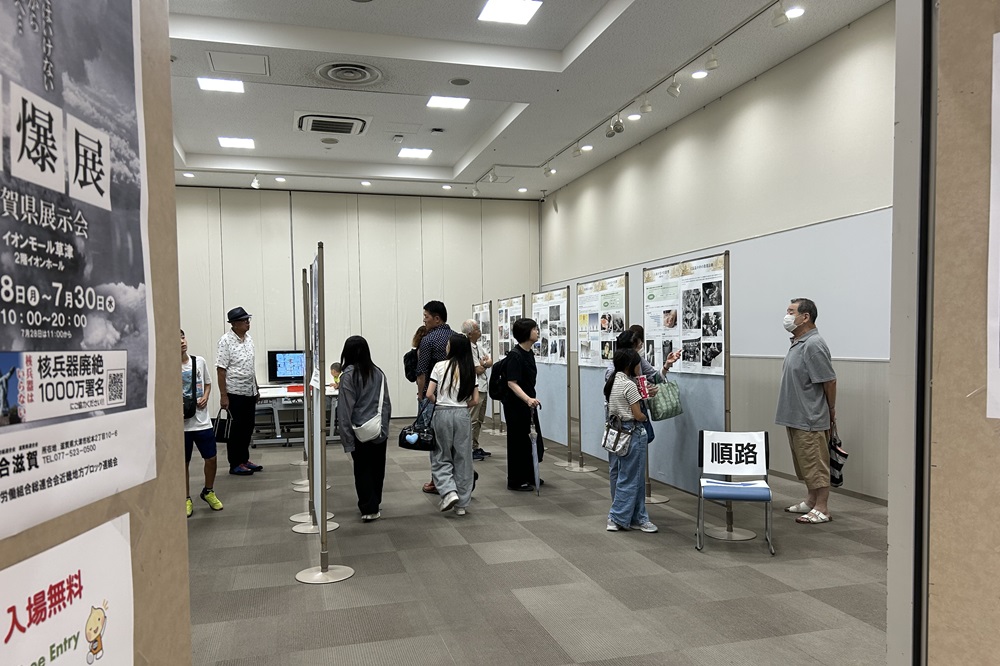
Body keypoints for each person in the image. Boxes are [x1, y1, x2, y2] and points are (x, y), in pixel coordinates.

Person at [775, 298, 837, 524]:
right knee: (805, 462)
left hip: (810, 416)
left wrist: (831, 410)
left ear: (805, 317)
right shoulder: (798, 342)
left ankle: (822, 507)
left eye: (791, 311)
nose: (787, 316)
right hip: (796, 415)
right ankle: (811, 500)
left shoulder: (813, 344)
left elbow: (829, 380)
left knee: (816, 463)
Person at [336, 336, 393, 522]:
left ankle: (368, 507)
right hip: (378, 429)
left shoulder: (348, 376)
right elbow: (386, 404)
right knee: (378, 468)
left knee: (362, 469)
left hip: (358, 431)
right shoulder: (378, 373)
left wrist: (346, 439)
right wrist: (384, 429)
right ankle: (375, 502)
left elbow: (345, 410)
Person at [604, 348, 657, 533]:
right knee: (631, 478)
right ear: (630, 365)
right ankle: (616, 516)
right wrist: (644, 417)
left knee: (630, 476)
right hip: (633, 432)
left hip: (618, 432)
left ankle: (638, 517)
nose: (640, 367)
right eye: (638, 364)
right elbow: (638, 414)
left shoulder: (613, 381)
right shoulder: (630, 385)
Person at [426, 333, 479, 515]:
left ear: (452, 347)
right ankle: (462, 504)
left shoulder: (439, 366)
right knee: (463, 457)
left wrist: (439, 402)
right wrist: (462, 405)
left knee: (441, 454)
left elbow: (429, 394)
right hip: (463, 414)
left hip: (442, 413)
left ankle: (448, 492)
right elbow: (475, 400)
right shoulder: (470, 369)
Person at [216, 306, 262, 476]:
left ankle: (244, 459)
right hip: (234, 393)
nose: (248, 323)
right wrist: (223, 396)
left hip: (249, 391)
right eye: (244, 320)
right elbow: (221, 370)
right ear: (234, 324)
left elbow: (250, 367)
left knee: (248, 427)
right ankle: (235, 463)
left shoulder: (249, 339)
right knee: (236, 430)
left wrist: (256, 388)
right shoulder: (225, 341)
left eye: (248, 320)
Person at [182, 329, 223, 517]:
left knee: (211, 458)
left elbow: (207, 383)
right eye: (177, 339)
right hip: (181, 425)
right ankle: (185, 498)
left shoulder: (199, 362)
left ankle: (208, 491)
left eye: (183, 337)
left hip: (202, 421)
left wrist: (206, 396)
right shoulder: (168, 366)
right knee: (184, 463)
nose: (181, 342)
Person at [415, 301, 453, 494]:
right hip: (456, 399)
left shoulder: (428, 340)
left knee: (435, 441)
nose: (424, 320)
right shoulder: (457, 338)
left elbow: (421, 372)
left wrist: (421, 395)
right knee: (454, 442)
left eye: (426, 316)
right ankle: (454, 479)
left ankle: (437, 481)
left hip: (434, 398)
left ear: (437, 318)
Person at [503, 318, 544, 491]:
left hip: (528, 403)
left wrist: (529, 400)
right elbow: (511, 383)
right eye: (534, 329)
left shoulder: (529, 353)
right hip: (516, 405)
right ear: (526, 333)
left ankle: (529, 474)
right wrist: (527, 399)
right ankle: (515, 480)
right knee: (518, 441)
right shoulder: (515, 355)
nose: (537, 331)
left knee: (530, 440)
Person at [462, 319, 493, 460]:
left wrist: (484, 364)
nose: (479, 330)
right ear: (469, 333)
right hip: (475, 388)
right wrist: (484, 364)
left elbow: (490, 362)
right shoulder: (467, 347)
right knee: (472, 420)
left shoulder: (478, 346)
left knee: (479, 420)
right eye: (476, 329)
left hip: (483, 387)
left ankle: (475, 446)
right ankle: (469, 449)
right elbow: (478, 369)